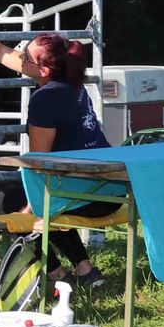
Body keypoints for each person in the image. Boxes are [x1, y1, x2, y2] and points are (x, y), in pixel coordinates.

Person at [19, 32, 115, 284]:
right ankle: (86, 271)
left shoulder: (44, 97)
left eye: (25, 56)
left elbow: (39, 163)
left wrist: (30, 206)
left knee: (14, 203)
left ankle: (57, 274)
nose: (20, 57)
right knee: (52, 200)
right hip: (110, 187)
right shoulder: (73, 85)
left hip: (89, 192)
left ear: (44, 70)